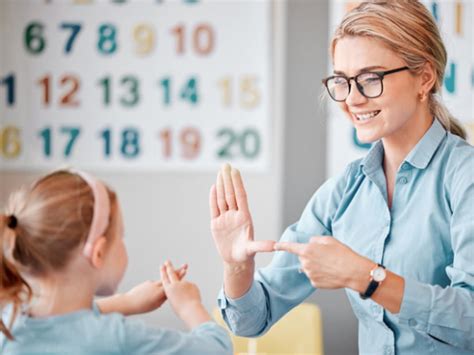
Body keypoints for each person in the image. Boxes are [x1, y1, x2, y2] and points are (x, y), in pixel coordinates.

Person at [209, 1, 473, 354]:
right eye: (342, 81)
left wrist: (367, 277)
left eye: (370, 79)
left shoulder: (464, 177)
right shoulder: (344, 193)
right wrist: (236, 265)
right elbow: (253, 320)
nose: (352, 98)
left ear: (424, 77)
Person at [0, 170, 232, 354]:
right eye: (120, 236)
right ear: (98, 253)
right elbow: (217, 350)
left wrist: (127, 302)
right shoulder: (115, 338)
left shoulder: (10, 321)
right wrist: (189, 305)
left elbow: (64, 323)